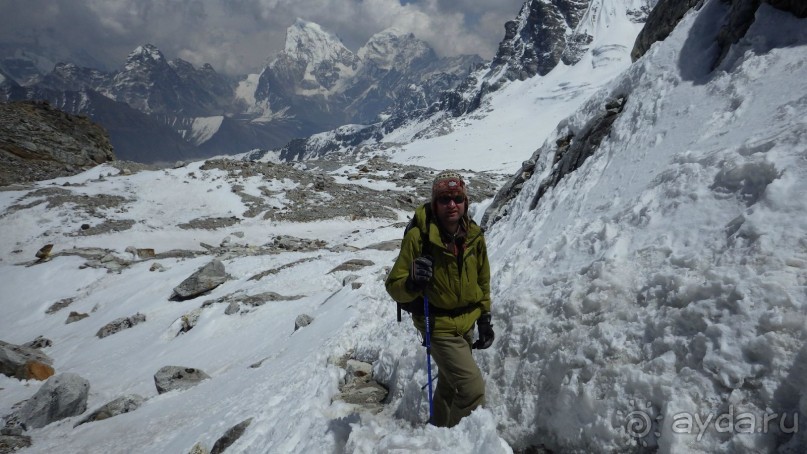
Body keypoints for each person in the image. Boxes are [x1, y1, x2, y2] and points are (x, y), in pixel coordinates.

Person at [385, 170, 494, 427]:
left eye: (457, 198)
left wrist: (485, 317)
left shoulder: (474, 236)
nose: (452, 204)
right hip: (438, 326)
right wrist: (412, 282)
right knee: (471, 390)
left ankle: (438, 433)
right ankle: (455, 442)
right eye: (444, 199)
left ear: (466, 202)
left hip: (466, 322)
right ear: (435, 204)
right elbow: (394, 287)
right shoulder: (419, 238)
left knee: (449, 385)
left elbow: (482, 280)